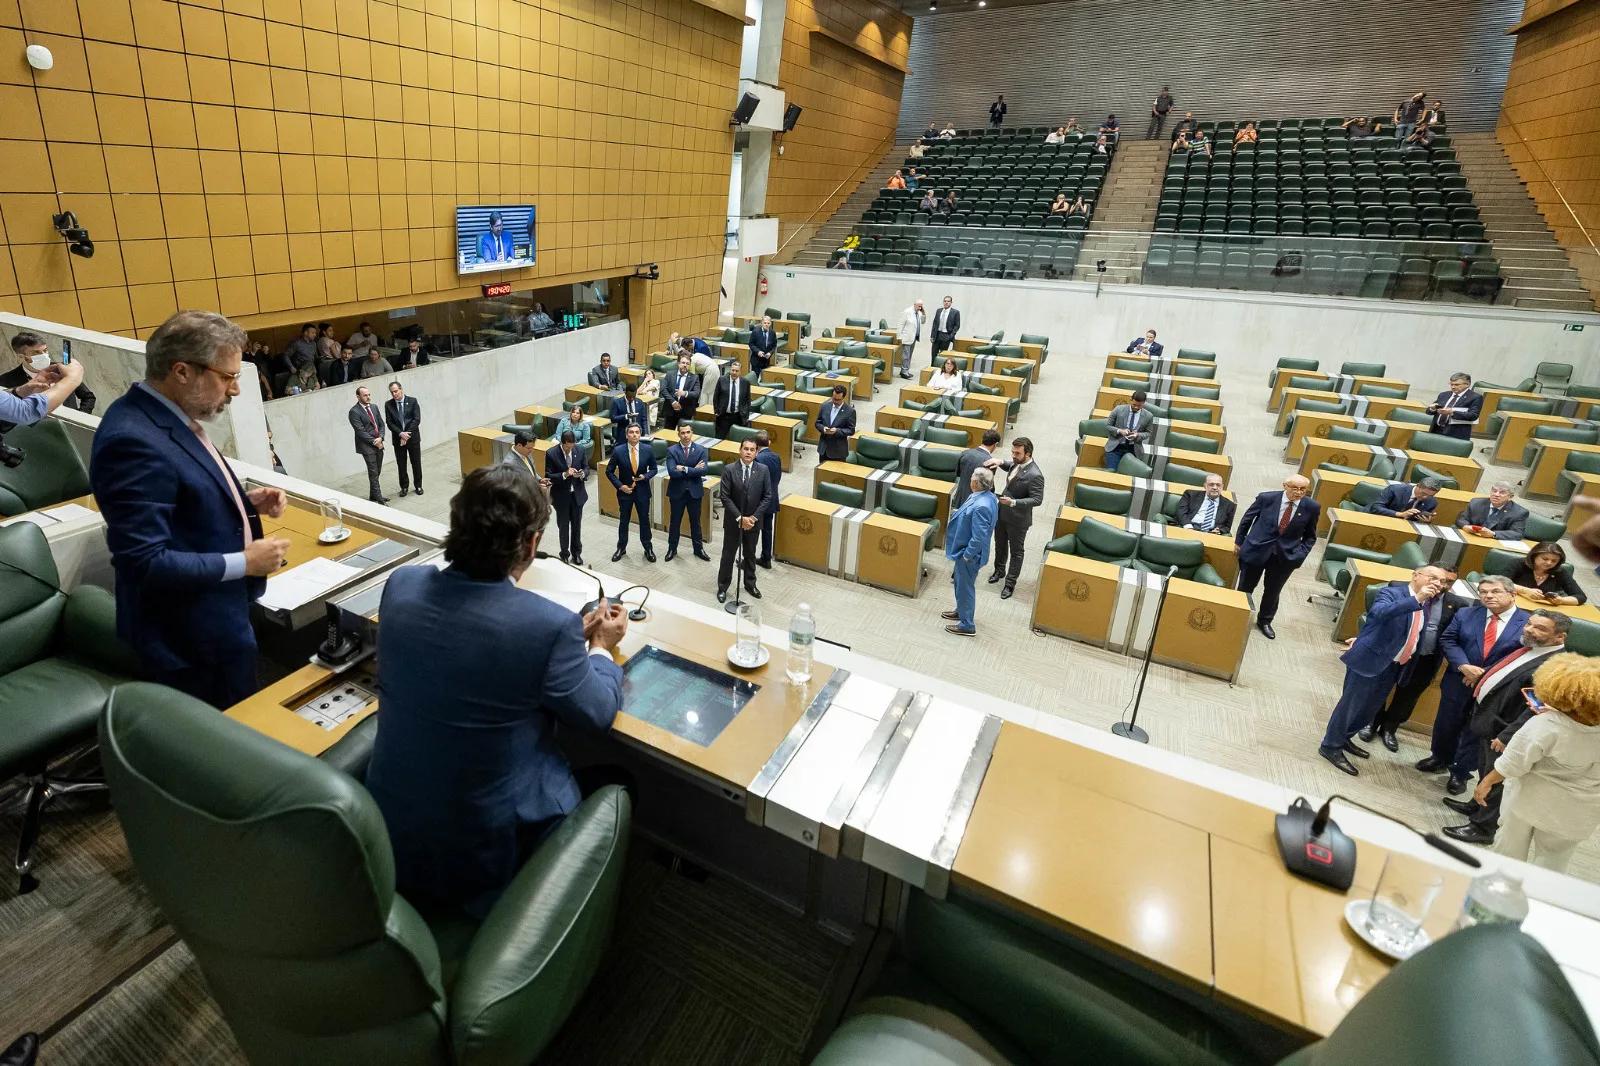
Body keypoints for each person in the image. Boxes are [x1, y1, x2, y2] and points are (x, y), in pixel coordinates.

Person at [363, 464, 628, 917]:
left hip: (391, 829)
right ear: (529, 544)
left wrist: (561, 648)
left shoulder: (401, 586)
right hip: (483, 852)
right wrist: (600, 648)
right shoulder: (546, 628)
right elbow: (599, 711)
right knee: (622, 785)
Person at [88, 310, 290, 709]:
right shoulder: (133, 441)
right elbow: (143, 563)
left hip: (213, 617)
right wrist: (245, 562)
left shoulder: (164, 416)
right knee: (228, 736)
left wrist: (240, 503)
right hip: (189, 638)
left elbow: (173, 503)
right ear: (182, 371)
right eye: (227, 377)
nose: (234, 390)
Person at [1442, 609, 1570, 845]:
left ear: (1559, 637)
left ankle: (1483, 827)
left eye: (1540, 628)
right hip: (1489, 719)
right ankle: (1476, 806)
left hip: (1504, 730)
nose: (1529, 629)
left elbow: (1536, 708)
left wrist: (1507, 736)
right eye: (1530, 623)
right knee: (1483, 769)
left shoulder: (1554, 666)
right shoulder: (1530, 648)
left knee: (1496, 778)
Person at [1317, 565, 1452, 775]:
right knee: (1350, 707)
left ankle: (1344, 738)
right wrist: (1416, 599)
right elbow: (1378, 613)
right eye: (1433, 577)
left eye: (1442, 581)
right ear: (1416, 575)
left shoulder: (1428, 604)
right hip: (1371, 660)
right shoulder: (1392, 592)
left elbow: (1412, 633)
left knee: (1369, 711)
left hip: (1395, 665)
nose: (1437, 584)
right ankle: (1330, 746)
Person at [1478, 653, 1600, 873]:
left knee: (1508, 853)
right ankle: (1540, 899)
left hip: (1530, 801)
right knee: (1554, 862)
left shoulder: (1547, 724)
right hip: (1581, 811)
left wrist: (1486, 782)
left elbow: (1513, 763)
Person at [1425, 576, 1529, 794]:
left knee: (1476, 732)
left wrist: (1483, 675)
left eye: (1495, 591)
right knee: (1446, 723)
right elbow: (1448, 640)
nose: (1488, 596)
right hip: (1458, 681)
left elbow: (1522, 657)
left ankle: (1460, 773)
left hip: (1494, 690)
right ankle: (1439, 757)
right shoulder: (1466, 613)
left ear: (1512, 594)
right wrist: (1463, 665)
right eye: (1483, 592)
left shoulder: (1528, 623)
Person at [1361, 563, 1459, 752]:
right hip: (1394, 652)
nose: (1441, 585)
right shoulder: (1398, 588)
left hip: (1425, 658)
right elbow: (1381, 615)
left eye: (1447, 582)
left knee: (1408, 696)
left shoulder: (1456, 603)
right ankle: (1371, 722)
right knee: (1380, 688)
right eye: (1436, 579)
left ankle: (1390, 728)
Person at [1234, 475, 1321, 640]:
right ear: (1285, 486)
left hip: (1285, 556)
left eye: (1303, 489)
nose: (1298, 492)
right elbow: (1247, 519)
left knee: (1273, 591)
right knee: (1246, 586)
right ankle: (1238, 615)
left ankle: (1265, 621)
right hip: (1256, 550)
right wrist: (1239, 542)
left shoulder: (1312, 507)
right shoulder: (1266, 498)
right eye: (1294, 488)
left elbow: (1310, 536)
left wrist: (1300, 555)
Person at [985, 436, 1043, 600]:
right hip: (1002, 513)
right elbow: (1011, 466)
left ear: (1028, 453)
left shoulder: (1035, 475)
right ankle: (999, 570)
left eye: (1017, 453)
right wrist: (1000, 461)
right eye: (1012, 452)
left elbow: (1037, 500)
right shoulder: (1016, 463)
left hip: (1018, 519)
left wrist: (1014, 502)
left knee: (1017, 552)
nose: (1013, 455)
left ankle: (1010, 584)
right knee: (1000, 544)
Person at [943, 467, 998, 636]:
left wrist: (967, 555)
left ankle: (967, 625)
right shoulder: (987, 497)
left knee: (965, 588)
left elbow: (979, 536)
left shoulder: (982, 505)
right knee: (960, 585)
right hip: (965, 551)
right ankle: (961, 611)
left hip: (969, 555)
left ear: (975, 482)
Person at [717, 438, 771, 603]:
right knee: (728, 554)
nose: (748, 452)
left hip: (753, 522)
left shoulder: (763, 470)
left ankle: (750, 583)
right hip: (734, 521)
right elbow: (725, 497)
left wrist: (752, 518)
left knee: (750, 553)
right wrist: (740, 518)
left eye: (752, 450)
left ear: (756, 452)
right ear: (740, 450)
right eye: (746, 449)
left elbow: (767, 496)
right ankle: (723, 586)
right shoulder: (730, 469)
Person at [0, 332, 95, 420]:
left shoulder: (63, 369)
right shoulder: (5, 381)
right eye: (36, 353)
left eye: (45, 350)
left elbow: (88, 397)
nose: (44, 355)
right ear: (21, 357)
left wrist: (79, 418)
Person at [607, 422, 656, 563]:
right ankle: (621, 547)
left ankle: (648, 548)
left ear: (640, 435)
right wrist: (620, 486)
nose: (634, 435)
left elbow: (654, 469)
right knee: (624, 520)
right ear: (626, 435)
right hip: (625, 492)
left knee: (644, 521)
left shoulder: (647, 449)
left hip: (642, 492)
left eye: (637, 432)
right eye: (631, 432)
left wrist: (645, 476)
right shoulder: (619, 450)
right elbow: (609, 471)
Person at [664, 422, 711, 563]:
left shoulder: (701, 450)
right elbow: (672, 472)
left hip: (694, 492)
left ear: (692, 433)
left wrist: (684, 469)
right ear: (678, 434)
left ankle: (698, 549)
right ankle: (672, 548)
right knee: (675, 521)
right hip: (677, 492)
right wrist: (693, 469)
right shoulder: (672, 450)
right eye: (683, 433)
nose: (686, 435)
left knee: (695, 522)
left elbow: (703, 471)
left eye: (688, 432)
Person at [543, 430, 588, 564]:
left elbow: (586, 467)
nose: (569, 449)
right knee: (563, 527)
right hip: (561, 497)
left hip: (577, 495)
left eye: (572, 446)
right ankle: (564, 554)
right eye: (567, 447)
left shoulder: (580, 450)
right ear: (561, 443)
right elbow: (549, 476)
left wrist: (582, 474)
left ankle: (576, 553)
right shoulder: (551, 453)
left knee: (576, 525)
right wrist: (565, 474)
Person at [1509, 541, 1587, 606]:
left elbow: (1581, 597)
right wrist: (1524, 590)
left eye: (1554, 561)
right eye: (1545, 559)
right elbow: (1500, 583)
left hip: (1541, 610)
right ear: (1534, 556)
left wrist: (1561, 600)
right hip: (1512, 604)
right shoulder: (1518, 563)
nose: (1549, 563)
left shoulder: (1560, 572)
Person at [349, 385, 388, 503]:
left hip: (379, 443)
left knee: (378, 470)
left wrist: (380, 437)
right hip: (367, 446)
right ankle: (379, 498)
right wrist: (374, 441)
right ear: (358, 396)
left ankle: (373, 495)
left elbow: (381, 424)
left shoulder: (374, 407)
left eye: (369, 394)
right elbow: (360, 431)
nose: (368, 397)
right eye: (365, 395)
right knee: (373, 472)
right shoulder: (354, 412)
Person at [385, 381, 423, 498]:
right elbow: (389, 423)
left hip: (413, 439)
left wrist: (406, 435)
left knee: (416, 462)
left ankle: (418, 485)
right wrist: (401, 434)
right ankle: (404, 486)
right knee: (401, 464)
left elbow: (416, 419)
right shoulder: (388, 404)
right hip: (398, 439)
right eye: (392, 392)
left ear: (401, 389)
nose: (394, 394)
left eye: (396, 391)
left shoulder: (412, 401)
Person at [1455, 482, 1529, 540]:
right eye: (1494, 491)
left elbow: (1517, 533)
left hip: (1494, 542)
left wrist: (1494, 534)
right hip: (1472, 537)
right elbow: (1462, 518)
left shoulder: (1519, 512)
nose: (1496, 495)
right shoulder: (1476, 502)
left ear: (1511, 497)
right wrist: (1466, 526)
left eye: (1502, 492)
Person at [1103, 390, 1153, 471]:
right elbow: (1107, 426)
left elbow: (1148, 433)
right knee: (1111, 472)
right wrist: (1119, 431)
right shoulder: (1118, 409)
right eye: (1134, 404)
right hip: (1115, 448)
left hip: (1133, 450)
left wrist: (1137, 435)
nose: (1136, 407)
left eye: (1139, 406)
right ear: (1130, 399)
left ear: (1144, 403)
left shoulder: (1148, 416)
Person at [753, 430, 782, 569]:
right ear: (768, 443)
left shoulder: (758, 459)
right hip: (772, 498)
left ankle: (748, 559)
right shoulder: (777, 457)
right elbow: (777, 478)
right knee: (767, 530)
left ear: (756, 445)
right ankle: (766, 558)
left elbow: (755, 483)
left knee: (752, 532)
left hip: (759, 502)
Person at [954, 429, 1002, 508]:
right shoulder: (990, 462)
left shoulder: (965, 453)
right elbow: (988, 487)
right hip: (975, 504)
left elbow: (958, 474)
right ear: (995, 444)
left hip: (959, 498)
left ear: (981, 439)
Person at [1426, 372, 1482, 439]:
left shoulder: (1475, 397)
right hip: (1436, 430)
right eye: (1451, 384)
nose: (1453, 387)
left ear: (1467, 384)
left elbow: (1473, 416)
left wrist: (1452, 412)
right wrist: (1432, 408)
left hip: (1455, 434)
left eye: (1456, 385)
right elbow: (1428, 411)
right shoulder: (1444, 395)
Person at [814, 384, 856, 463]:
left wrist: (837, 431)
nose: (835, 401)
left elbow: (851, 430)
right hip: (824, 448)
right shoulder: (825, 406)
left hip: (838, 451)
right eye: (834, 398)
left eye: (838, 400)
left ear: (843, 398)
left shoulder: (850, 411)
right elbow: (818, 423)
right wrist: (823, 428)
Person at [1367, 477, 1440, 521]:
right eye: (1423, 493)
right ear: (1418, 486)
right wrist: (1400, 514)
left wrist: (1424, 521)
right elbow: (1375, 508)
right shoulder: (1395, 489)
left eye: (1431, 495)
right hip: (1376, 518)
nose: (1425, 497)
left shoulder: (1432, 502)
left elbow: (1415, 521)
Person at [659, 355, 701, 432]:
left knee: (684, 434)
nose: (685, 365)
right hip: (670, 409)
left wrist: (685, 393)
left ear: (690, 366)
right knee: (667, 433)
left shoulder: (695, 377)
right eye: (683, 362)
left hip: (685, 411)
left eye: (687, 363)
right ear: (678, 363)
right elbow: (663, 389)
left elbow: (696, 393)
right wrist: (673, 401)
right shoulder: (670, 374)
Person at [711, 367, 751, 439]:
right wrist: (716, 411)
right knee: (719, 439)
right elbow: (716, 396)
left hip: (738, 416)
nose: (734, 372)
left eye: (736, 371)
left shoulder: (745, 382)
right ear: (730, 370)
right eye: (732, 370)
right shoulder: (722, 380)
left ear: (740, 372)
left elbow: (747, 400)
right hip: (723, 416)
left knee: (738, 439)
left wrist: (746, 414)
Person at [896, 300, 925, 379]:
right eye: (919, 306)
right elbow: (900, 324)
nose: (920, 307)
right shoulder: (907, 312)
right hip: (907, 337)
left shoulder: (919, 313)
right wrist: (899, 337)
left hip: (914, 337)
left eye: (921, 306)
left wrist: (924, 313)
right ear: (914, 305)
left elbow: (923, 322)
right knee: (906, 355)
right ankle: (904, 372)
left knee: (909, 355)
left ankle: (905, 370)